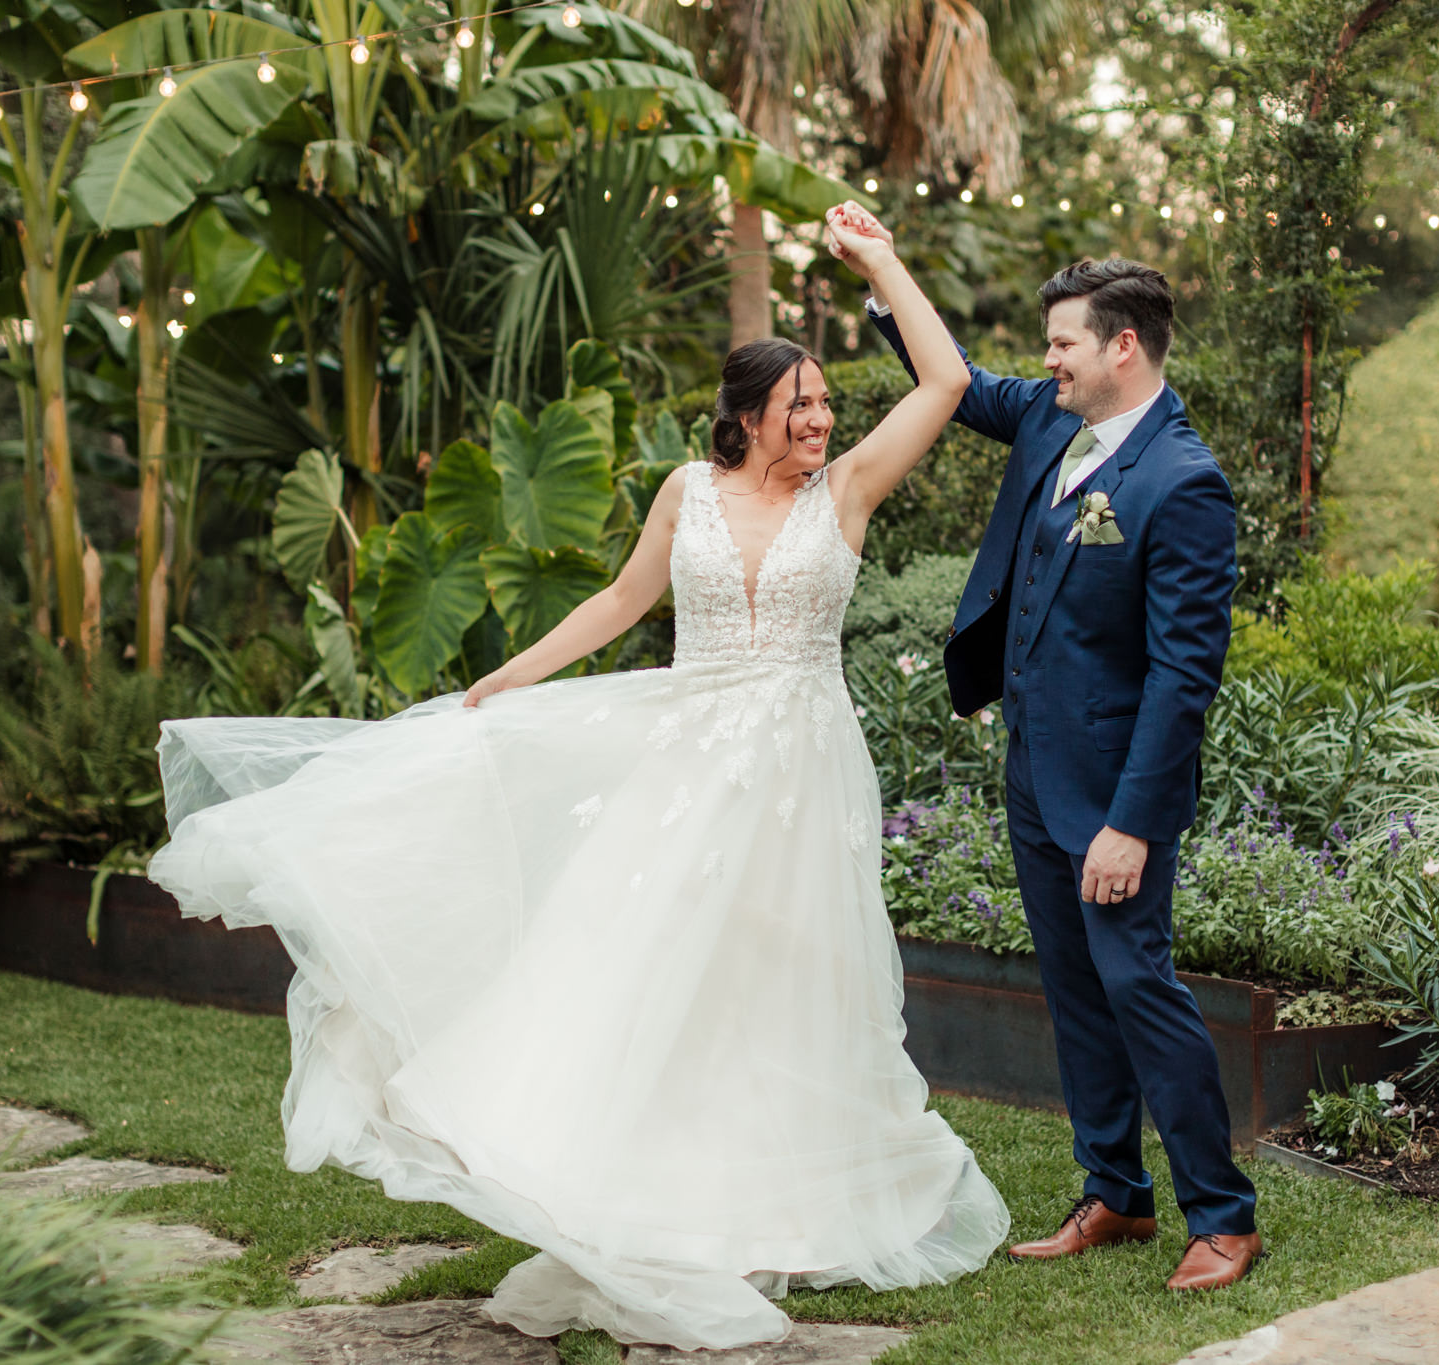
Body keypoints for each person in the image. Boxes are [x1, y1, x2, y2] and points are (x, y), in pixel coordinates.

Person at [145, 203, 1009, 1352]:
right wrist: (507, 675)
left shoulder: (842, 492)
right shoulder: (684, 495)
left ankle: (769, 1207)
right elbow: (618, 603)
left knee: (778, 983)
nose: (821, 418)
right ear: (746, 417)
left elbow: (943, 383)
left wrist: (881, 259)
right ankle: (633, 1194)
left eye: (823, 405)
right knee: (646, 969)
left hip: (802, 780)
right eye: (799, 404)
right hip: (684, 765)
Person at [859, 221, 1262, 1292]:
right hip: (1032, 774)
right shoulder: (1049, 421)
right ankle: (1114, 1195)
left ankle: (1219, 1215)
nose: (1046, 362)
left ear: (1121, 346)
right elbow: (953, 380)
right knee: (1075, 991)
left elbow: (1184, 678)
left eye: (1063, 345)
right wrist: (882, 269)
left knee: (1138, 986)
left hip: (1114, 793)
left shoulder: (1183, 484)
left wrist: (1131, 821)